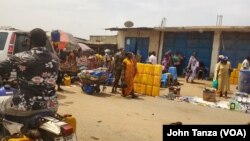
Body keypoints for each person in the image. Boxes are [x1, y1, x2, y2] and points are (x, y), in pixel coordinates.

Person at [0, 28, 59, 116]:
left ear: (30, 41)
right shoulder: (55, 58)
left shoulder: (21, 57)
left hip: (25, 106)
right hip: (52, 105)